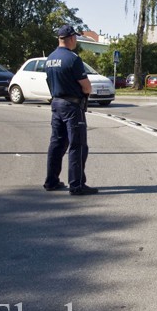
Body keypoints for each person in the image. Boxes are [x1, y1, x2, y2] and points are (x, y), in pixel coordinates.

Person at [43, 25, 97, 195]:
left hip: (56, 104)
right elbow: (86, 87)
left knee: (56, 144)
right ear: (72, 38)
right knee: (77, 145)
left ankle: (51, 181)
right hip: (72, 107)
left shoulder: (50, 58)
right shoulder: (73, 59)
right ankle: (77, 185)